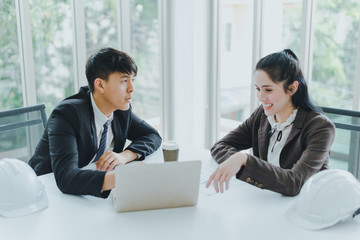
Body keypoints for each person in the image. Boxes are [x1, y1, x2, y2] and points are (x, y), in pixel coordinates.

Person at [29, 47, 162, 198]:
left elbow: (152, 135)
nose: (132, 89)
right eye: (124, 81)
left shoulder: (120, 110)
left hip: (85, 190)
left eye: (132, 80)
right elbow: (67, 178)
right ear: (100, 85)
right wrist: (124, 176)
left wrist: (124, 156)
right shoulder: (67, 115)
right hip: (44, 192)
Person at [206, 49, 335, 196]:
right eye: (258, 89)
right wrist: (237, 161)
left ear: (292, 88)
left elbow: (295, 183)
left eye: (268, 90)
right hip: (268, 199)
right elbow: (220, 146)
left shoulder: (320, 127)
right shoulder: (262, 115)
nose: (261, 97)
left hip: (306, 207)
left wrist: (244, 160)